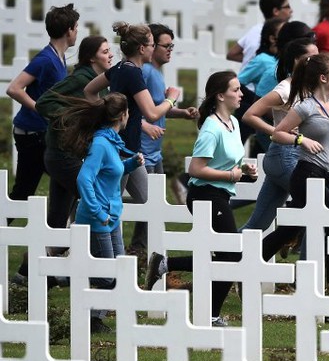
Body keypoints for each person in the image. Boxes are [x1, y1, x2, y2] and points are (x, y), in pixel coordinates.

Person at [145, 72, 258, 326]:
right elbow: (196, 169)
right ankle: (211, 315)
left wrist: (246, 171)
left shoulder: (233, 123)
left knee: (226, 255)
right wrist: (231, 175)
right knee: (231, 254)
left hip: (219, 194)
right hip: (205, 196)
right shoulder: (211, 127)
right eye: (236, 90)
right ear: (220, 95)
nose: (241, 94)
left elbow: (229, 161)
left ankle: (165, 264)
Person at [9, 36, 114, 288]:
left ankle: (27, 275)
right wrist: (72, 116)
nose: (110, 55)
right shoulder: (80, 79)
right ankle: (100, 271)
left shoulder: (102, 83)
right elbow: (45, 103)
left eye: (111, 51)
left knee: (57, 220)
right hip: (61, 155)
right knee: (95, 201)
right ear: (92, 58)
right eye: (105, 51)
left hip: (70, 154)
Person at [257, 53, 329, 294]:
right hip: (305, 175)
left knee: (288, 230)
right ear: (323, 78)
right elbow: (277, 133)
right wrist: (301, 140)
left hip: (324, 174)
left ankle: (244, 265)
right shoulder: (305, 106)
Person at [84, 22, 180, 258]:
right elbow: (152, 113)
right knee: (108, 205)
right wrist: (172, 99)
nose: (154, 48)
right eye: (151, 44)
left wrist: (104, 113)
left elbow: (89, 91)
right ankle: (95, 259)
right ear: (141, 48)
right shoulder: (132, 73)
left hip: (130, 152)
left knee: (152, 203)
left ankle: (154, 260)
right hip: (120, 152)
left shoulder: (120, 68)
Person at [56, 93, 144, 333]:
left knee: (119, 272)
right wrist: (97, 211)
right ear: (124, 116)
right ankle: (61, 276)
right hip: (98, 219)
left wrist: (132, 164)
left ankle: (94, 319)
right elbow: (85, 178)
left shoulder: (111, 141)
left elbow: (110, 172)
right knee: (107, 275)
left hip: (111, 217)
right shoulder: (102, 144)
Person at [5, 3, 78, 224]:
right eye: (76, 28)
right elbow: (14, 88)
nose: (77, 32)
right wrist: (40, 108)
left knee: (64, 184)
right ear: (68, 31)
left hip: (42, 133)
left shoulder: (59, 57)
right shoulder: (46, 59)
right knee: (24, 194)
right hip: (32, 135)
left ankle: (52, 245)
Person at [240, 35, 319, 231]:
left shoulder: (311, 87)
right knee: (319, 207)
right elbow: (250, 115)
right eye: (312, 58)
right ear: (296, 61)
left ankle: (216, 256)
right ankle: (303, 253)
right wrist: (277, 131)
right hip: (285, 156)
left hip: (295, 157)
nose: (318, 62)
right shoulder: (286, 88)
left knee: (257, 226)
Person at [227, 0, 292, 145]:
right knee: (236, 144)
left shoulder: (270, 55)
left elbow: (233, 53)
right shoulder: (263, 59)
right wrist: (253, 98)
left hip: (266, 107)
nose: (291, 10)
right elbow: (239, 80)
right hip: (251, 102)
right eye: (287, 6)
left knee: (261, 143)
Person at [141, 23, 199, 176]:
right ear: (152, 46)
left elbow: (157, 108)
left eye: (171, 46)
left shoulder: (156, 72)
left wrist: (182, 113)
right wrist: (172, 99)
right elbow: (131, 109)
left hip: (154, 152)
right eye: (166, 46)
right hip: (142, 153)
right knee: (145, 198)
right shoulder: (145, 71)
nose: (170, 50)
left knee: (155, 197)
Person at [236, 18, 285, 98]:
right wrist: (256, 100)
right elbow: (238, 83)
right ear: (272, 38)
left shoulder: (285, 58)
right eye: (283, 32)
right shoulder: (262, 60)